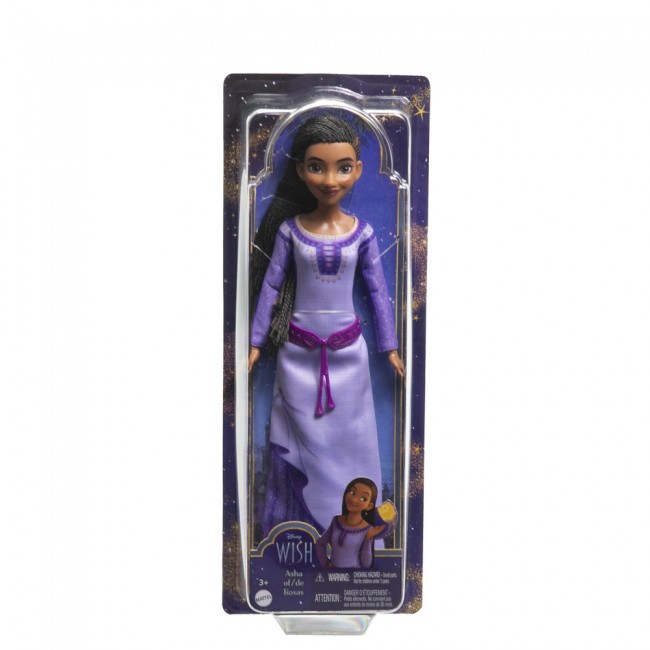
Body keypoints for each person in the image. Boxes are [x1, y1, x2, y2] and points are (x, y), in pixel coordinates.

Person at [248, 114, 404, 536]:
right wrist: (256, 343)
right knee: (299, 438)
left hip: (348, 356)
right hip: (298, 353)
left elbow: (378, 291)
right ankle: (296, 522)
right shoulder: (290, 232)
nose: (330, 180)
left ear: (359, 170)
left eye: (343, 167)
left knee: (354, 436)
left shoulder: (363, 234)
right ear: (301, 170)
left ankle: (359, 528)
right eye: (317, 167)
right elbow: (271, 286)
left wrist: (389, 347)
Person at [315, 478, 386, 569]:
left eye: (363, 498)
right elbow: (320, 544)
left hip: (354, 575)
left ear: (369, 506)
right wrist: (325, 563)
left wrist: (368, 538)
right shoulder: (336, 521)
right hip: (334, 575)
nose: (354, 499)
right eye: (352, 492)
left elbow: (366, 564)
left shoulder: (368, 529)